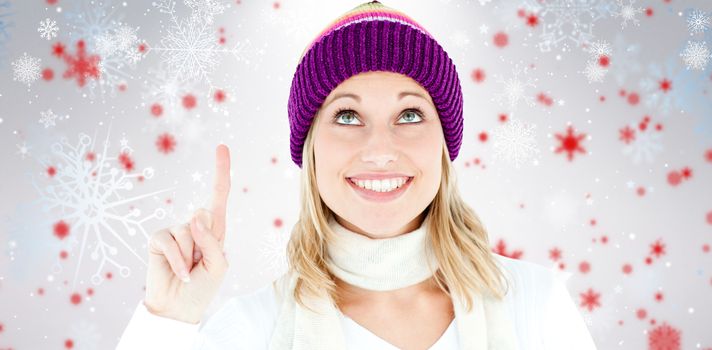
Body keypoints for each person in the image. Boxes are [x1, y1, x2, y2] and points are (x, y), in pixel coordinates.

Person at [116, 1, 598, 349]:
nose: (380, 150)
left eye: (409, 115)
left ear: (444, 145)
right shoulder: (251, 330)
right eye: (347, 116)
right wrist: (168, 321)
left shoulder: (536, 305)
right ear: (310, 148)